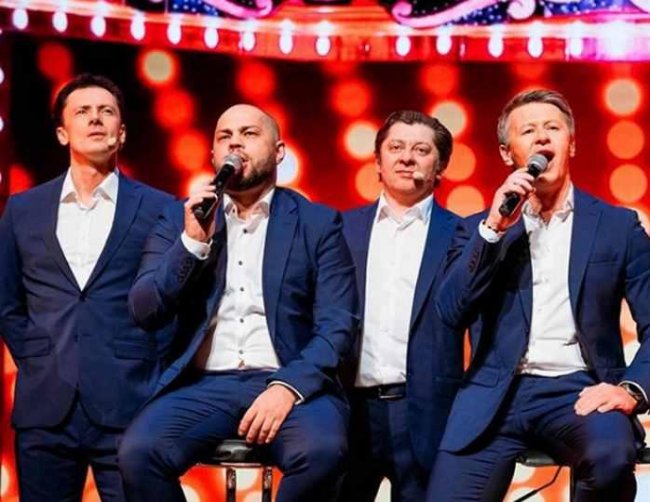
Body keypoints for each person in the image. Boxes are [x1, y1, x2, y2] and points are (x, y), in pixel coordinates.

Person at [117, 103, 359, 501]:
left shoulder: (317, 224)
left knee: (322, 451)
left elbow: (338, 325)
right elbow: (144, 310)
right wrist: (192, 243)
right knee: (139, 453)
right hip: (204, 385)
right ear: (213, 156)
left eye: (249, 134)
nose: (235, 143)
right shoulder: (179, 218)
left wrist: (288, 387)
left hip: (289, 380)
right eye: (225, 136)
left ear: (279, 152)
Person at [427, 89, 650, 501]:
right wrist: (494, 229)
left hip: (580, 390)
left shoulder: (618, 227)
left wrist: (632, 389)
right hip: (495, 396)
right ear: (507, 152)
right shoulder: (478, 229)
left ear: (572, 144)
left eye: (553, 128)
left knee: (611, 458)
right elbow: (450, 310)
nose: (542, 137)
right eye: (528, 130)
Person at [0, 73, 175, 501]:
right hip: (46, 403)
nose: (95, 119)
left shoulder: (159, 208)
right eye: (82, 111)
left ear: (122, 132)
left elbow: (172, 300)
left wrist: (146, 366)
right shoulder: (23, 209)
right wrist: (36, 355)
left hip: (128, 401)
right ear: (63, 133)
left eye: (106, 111)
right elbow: (6, 300)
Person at [338, 110, 464, 501]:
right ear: (378, 162)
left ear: (440, 167)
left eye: (421, 150)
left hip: (427, 411)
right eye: (395, 148)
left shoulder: (463, 235)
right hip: (349, 409)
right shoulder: (338, 229)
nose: (407, 157)